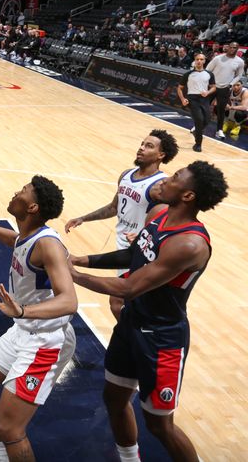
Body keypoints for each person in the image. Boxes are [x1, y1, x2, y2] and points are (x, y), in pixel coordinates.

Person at [68, 161, 228, 462]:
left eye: (177, 177)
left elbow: (129, 288)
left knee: (159, 425)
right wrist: (80, 260)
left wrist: (73, 276)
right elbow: (133, 254)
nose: (167, 178)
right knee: (114, 399)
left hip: (161, 338)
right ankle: (130, 459)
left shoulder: (190, 244)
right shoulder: (158, 214)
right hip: (131, 323)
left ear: (188, 196)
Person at [0, 176, 77, 462]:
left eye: (22, 191)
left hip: (45, 340)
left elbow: (70, 301)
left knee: (11, 428)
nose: (15, 193)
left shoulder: (48, 244)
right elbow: (15, 241)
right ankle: (2, 456)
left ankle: (8, 449)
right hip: (23, 329)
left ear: (32, 207)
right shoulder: (27, 234)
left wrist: (22, 311)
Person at [65, 130, 179, 319]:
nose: (141, 148)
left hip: (141, 249)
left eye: (149, 146)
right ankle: (131, 335)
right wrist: (84, 218)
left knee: (118, 300)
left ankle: (129, 337)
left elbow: (167, 220)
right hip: (123, 246)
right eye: (142, 143)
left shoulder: (160, 186)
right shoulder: (126, 175)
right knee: (126, 301)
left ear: (161, 155)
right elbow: (114, 207)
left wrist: (145, 234)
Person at [206, 42, 246, 139]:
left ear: (238, 49)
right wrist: (210, 83)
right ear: (228, 48)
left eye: (235, 48)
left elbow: (239, 75)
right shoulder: (218, 58)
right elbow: (208, 70)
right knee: (204, 107)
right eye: (231, 47)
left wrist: (231, 84)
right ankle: (198, 125)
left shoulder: (240, 61)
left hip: (225, 88)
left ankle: (219, 130)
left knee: (221, 110)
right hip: (213, 86)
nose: (233, 49)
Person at [177, 53, 215, 152]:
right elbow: (180, 88)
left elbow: (214, 87)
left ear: (204, 61)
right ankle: (198, 144)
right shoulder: (188, 74)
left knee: (207, 120)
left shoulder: (209, 74)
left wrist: (208, 92)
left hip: (204, 99)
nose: (199, 61)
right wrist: (182, 99)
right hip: (192, 99)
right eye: (197, 59)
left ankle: (196, 131)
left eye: (201, 59)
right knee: (199, 120)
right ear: (194, 60)